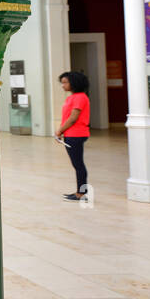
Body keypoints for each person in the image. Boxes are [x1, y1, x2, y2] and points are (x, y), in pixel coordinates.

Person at [55, 70, 91, 201]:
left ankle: (81, 194)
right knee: (77, 164)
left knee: (78, 165)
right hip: (71, 134)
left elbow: (73, 118)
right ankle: (80, 192)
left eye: (65, 83)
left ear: (74, 83)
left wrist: (59, 131)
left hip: (76, 134)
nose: (63, 85)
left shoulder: (80, 97)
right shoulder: (72, 97)